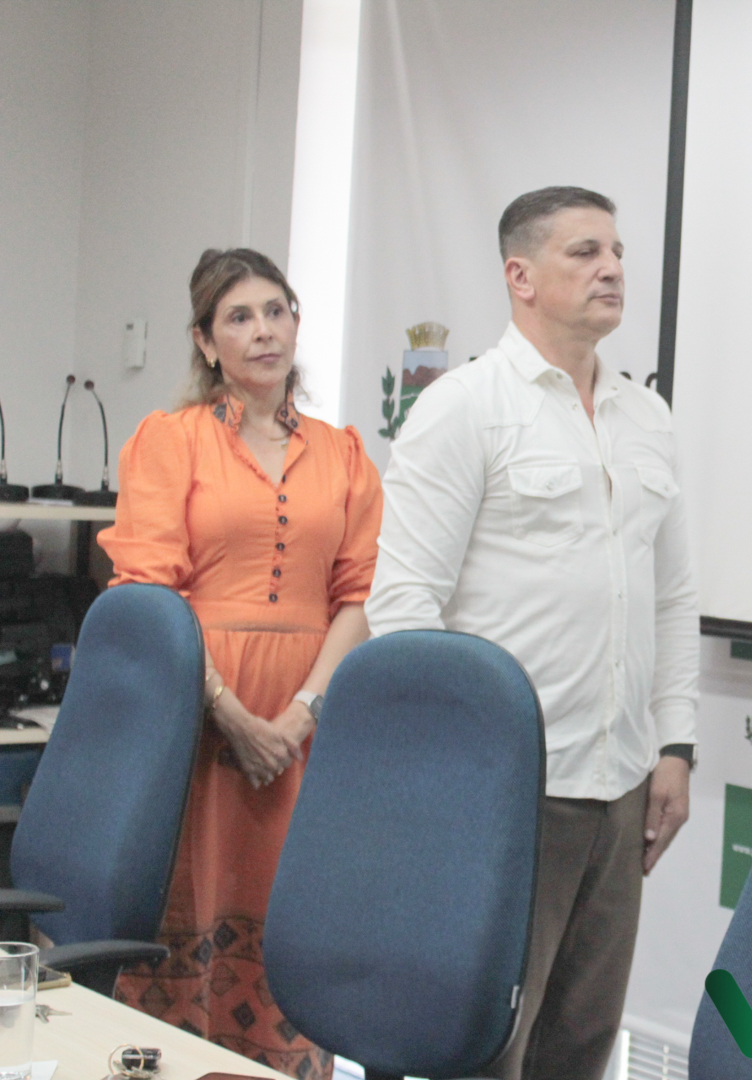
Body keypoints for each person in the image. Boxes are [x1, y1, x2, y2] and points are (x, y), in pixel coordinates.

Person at [365, 186, 699, 1080]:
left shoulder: (647, 419)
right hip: (508, 791)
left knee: (581, 1044)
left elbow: (672, 598)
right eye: (585, 252)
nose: (613, 269)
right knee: (486, 1049)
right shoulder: (463, 407)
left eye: (618, 252)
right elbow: (404, 611)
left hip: (621, 781)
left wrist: (675, 745)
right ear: (520, 276)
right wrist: (454, 781)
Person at [102, 248, 381, 1077]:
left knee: (295, 917)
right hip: (192, 723)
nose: (263, 331)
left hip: (308, 728)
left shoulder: (344, 454)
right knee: (186, 909)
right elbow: (148, 595)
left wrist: (298, 717)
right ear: (205, 341)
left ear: (296, 322)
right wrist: (229, 713)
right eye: (238, 317)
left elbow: (361, 596)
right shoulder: (171, 441)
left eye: (276, 310)